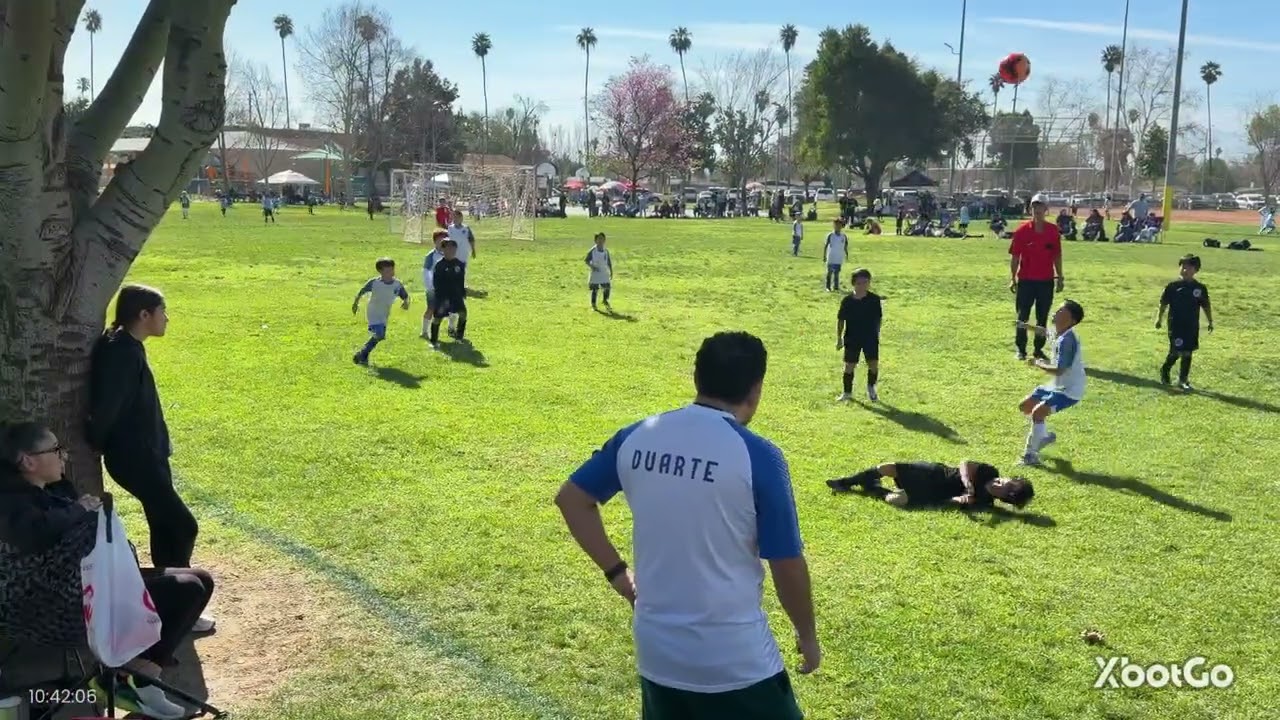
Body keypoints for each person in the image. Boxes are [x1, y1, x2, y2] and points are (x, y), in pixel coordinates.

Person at [554, 332, 819, 720]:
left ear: (696, 378)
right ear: (756, 388)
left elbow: (572, 500)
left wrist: (618, 574)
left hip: (657, 653)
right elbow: (787, 564)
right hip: (736, 661)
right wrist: (807, 635)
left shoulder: (637, 436)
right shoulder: (759, 457)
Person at [0, 422, 215, 720]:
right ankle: (133, 676)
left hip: (87, 587)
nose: (63, 456)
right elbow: (35, 535)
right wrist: (80, 512)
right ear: (28, 461)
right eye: (55, 450)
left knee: (198, 581)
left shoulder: (49, 491)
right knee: (190, 588)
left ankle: (141, 673)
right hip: (60, 610)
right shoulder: (12, 506)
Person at [88, 287, 205, 596]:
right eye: (162, 311)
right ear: (144, 315)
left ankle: (164, 597)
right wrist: (96, 441)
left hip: (149, 453)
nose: (167, 318)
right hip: (135, 458)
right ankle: (180, 596)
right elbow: (107, 406)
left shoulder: (128, 346)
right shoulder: (121, 353)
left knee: (164, 525)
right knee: (182, 526)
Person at [1015, 299, 1086, 466]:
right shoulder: (1060, 331)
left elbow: (1060, 370)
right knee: (1025, 406)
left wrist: (1038, 363)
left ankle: (1030, 455)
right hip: (1057, 385)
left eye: (1061, 311)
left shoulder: (1067, 341)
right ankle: (1043, 436)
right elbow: (1045, 332)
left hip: (1070, 390)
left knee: (1038, 412)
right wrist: (1026, 326)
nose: (1056, 312)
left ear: (1071, 320)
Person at [825, 459, 1034, 510]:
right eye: (1006, 481)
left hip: (932, 492)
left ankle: (873, 487)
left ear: (1004, 497)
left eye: (1005, 488)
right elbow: (965, 464)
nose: (1001, 482)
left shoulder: (982, 502)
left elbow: (948, 502)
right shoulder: (990, 471)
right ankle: (845, 482)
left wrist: (958, 500)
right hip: (935, 472)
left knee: (895, 500)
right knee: (888, 466)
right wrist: (968, 484)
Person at [1009, 193, 1064, 362]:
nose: (1037, 210)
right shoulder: (1022, 231)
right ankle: (1020, 349)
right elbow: (1015, 257)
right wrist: (1013, 278)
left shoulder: (1052, 231)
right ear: (1030, 209)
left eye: (1040, 207)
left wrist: (1060, 277)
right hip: (1026, 281)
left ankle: (1038, 349)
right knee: (1022, 316)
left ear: (1046, 209)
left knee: (1042, 317)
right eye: (1034, 207)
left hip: (1045, 281)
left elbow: (1057, 255)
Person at [1156, 254, 1214, 391]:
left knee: (1188, 352)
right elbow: (1163, 304)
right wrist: (1159, 319)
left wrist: (1210, 321)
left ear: (1196, 270)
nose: (1184, 270)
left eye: (1188, 267)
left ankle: (1183, 379)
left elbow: (1206, 306)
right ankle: (1165, 370)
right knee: (1176, 351)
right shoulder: (1173, 286)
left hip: (1191, 326)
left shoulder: (1200, 289)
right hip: (1175, 324)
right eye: (1182, 267)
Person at [351, 258, 409, 366]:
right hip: (373, 312)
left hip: (384, 314)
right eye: (387, 271)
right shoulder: (374, 282)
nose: (391, 273)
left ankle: (363, 355)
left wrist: (406, 303)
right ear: (380, 272)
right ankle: (361, 353)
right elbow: (361, 291)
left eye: (392, 270)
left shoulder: (397, 284)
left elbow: (405, 296)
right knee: (379, 334)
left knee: (379, 336)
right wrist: (355, 303)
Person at [836, 268, 882, 403]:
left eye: (865, 282)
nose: (862, 286)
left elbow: (878, 319)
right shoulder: (847, 301)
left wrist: (876, 334)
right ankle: (847, 393)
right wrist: (839, 338)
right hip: (852, 337)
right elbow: (840, 320)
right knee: (849, 366)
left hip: (870, 338)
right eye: (859, 283)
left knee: (873, 364)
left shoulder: (874, 300)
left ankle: (871, 388)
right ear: (854, 283)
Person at [428, 239, 468, 347]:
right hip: (443, 297)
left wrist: (463, 292)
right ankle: (434, 341)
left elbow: (461, 280)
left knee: (463, 314)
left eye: (453, 248)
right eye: (448, 248)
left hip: (456, 295)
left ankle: (459, 337)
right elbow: (436, 283)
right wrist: (440, 298)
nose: (451, 250)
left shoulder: (460, 264)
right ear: (443, 249)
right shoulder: (439, 265)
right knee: (438, 318)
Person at [445, 210, 477, 336]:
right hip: (452, 256)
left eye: (458, 217)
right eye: (454, 217)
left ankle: (460, 288)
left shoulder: (466, 229)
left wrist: (473, 250)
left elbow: (471, 239)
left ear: (462, 218)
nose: (456, 219)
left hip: (462, 257)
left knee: (460, 274)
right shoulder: (450, 228)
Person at [421, 231, 447, 338]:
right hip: (433, 288)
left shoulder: (451, 254)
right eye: (439, 241)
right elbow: (426, 272)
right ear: (434, 242)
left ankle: (452, 329)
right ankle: (424, 331)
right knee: (431, 309)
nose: (441, 243)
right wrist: (430, 286)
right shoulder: (431, 256)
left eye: (444, 241)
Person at [584, 232, 613, 311]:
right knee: (595, 289)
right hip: (595, 273)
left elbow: (609, 262)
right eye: (599, 239)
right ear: (595, 240)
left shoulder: (606, 251)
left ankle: (605, 300)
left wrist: (611, 271)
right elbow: (586, 260)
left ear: (604, 240)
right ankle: (593, 304)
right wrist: (592, 267)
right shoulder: (592, 251)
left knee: (607, 287)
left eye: (602, 239)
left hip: (604, 272)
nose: (600, 240)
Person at [823, 219, 849, 292]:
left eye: (839, 225)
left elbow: (845, 246)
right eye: (836, 225)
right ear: (834, 226)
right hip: (831, 257)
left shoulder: (843, 236)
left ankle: (836, 287)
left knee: (837, 273)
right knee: (829, 272)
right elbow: (826, 246)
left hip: (838, 257)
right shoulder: (830, 235)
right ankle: (828, 287)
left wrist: (846, 255)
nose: (838, 227)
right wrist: (824, 256)